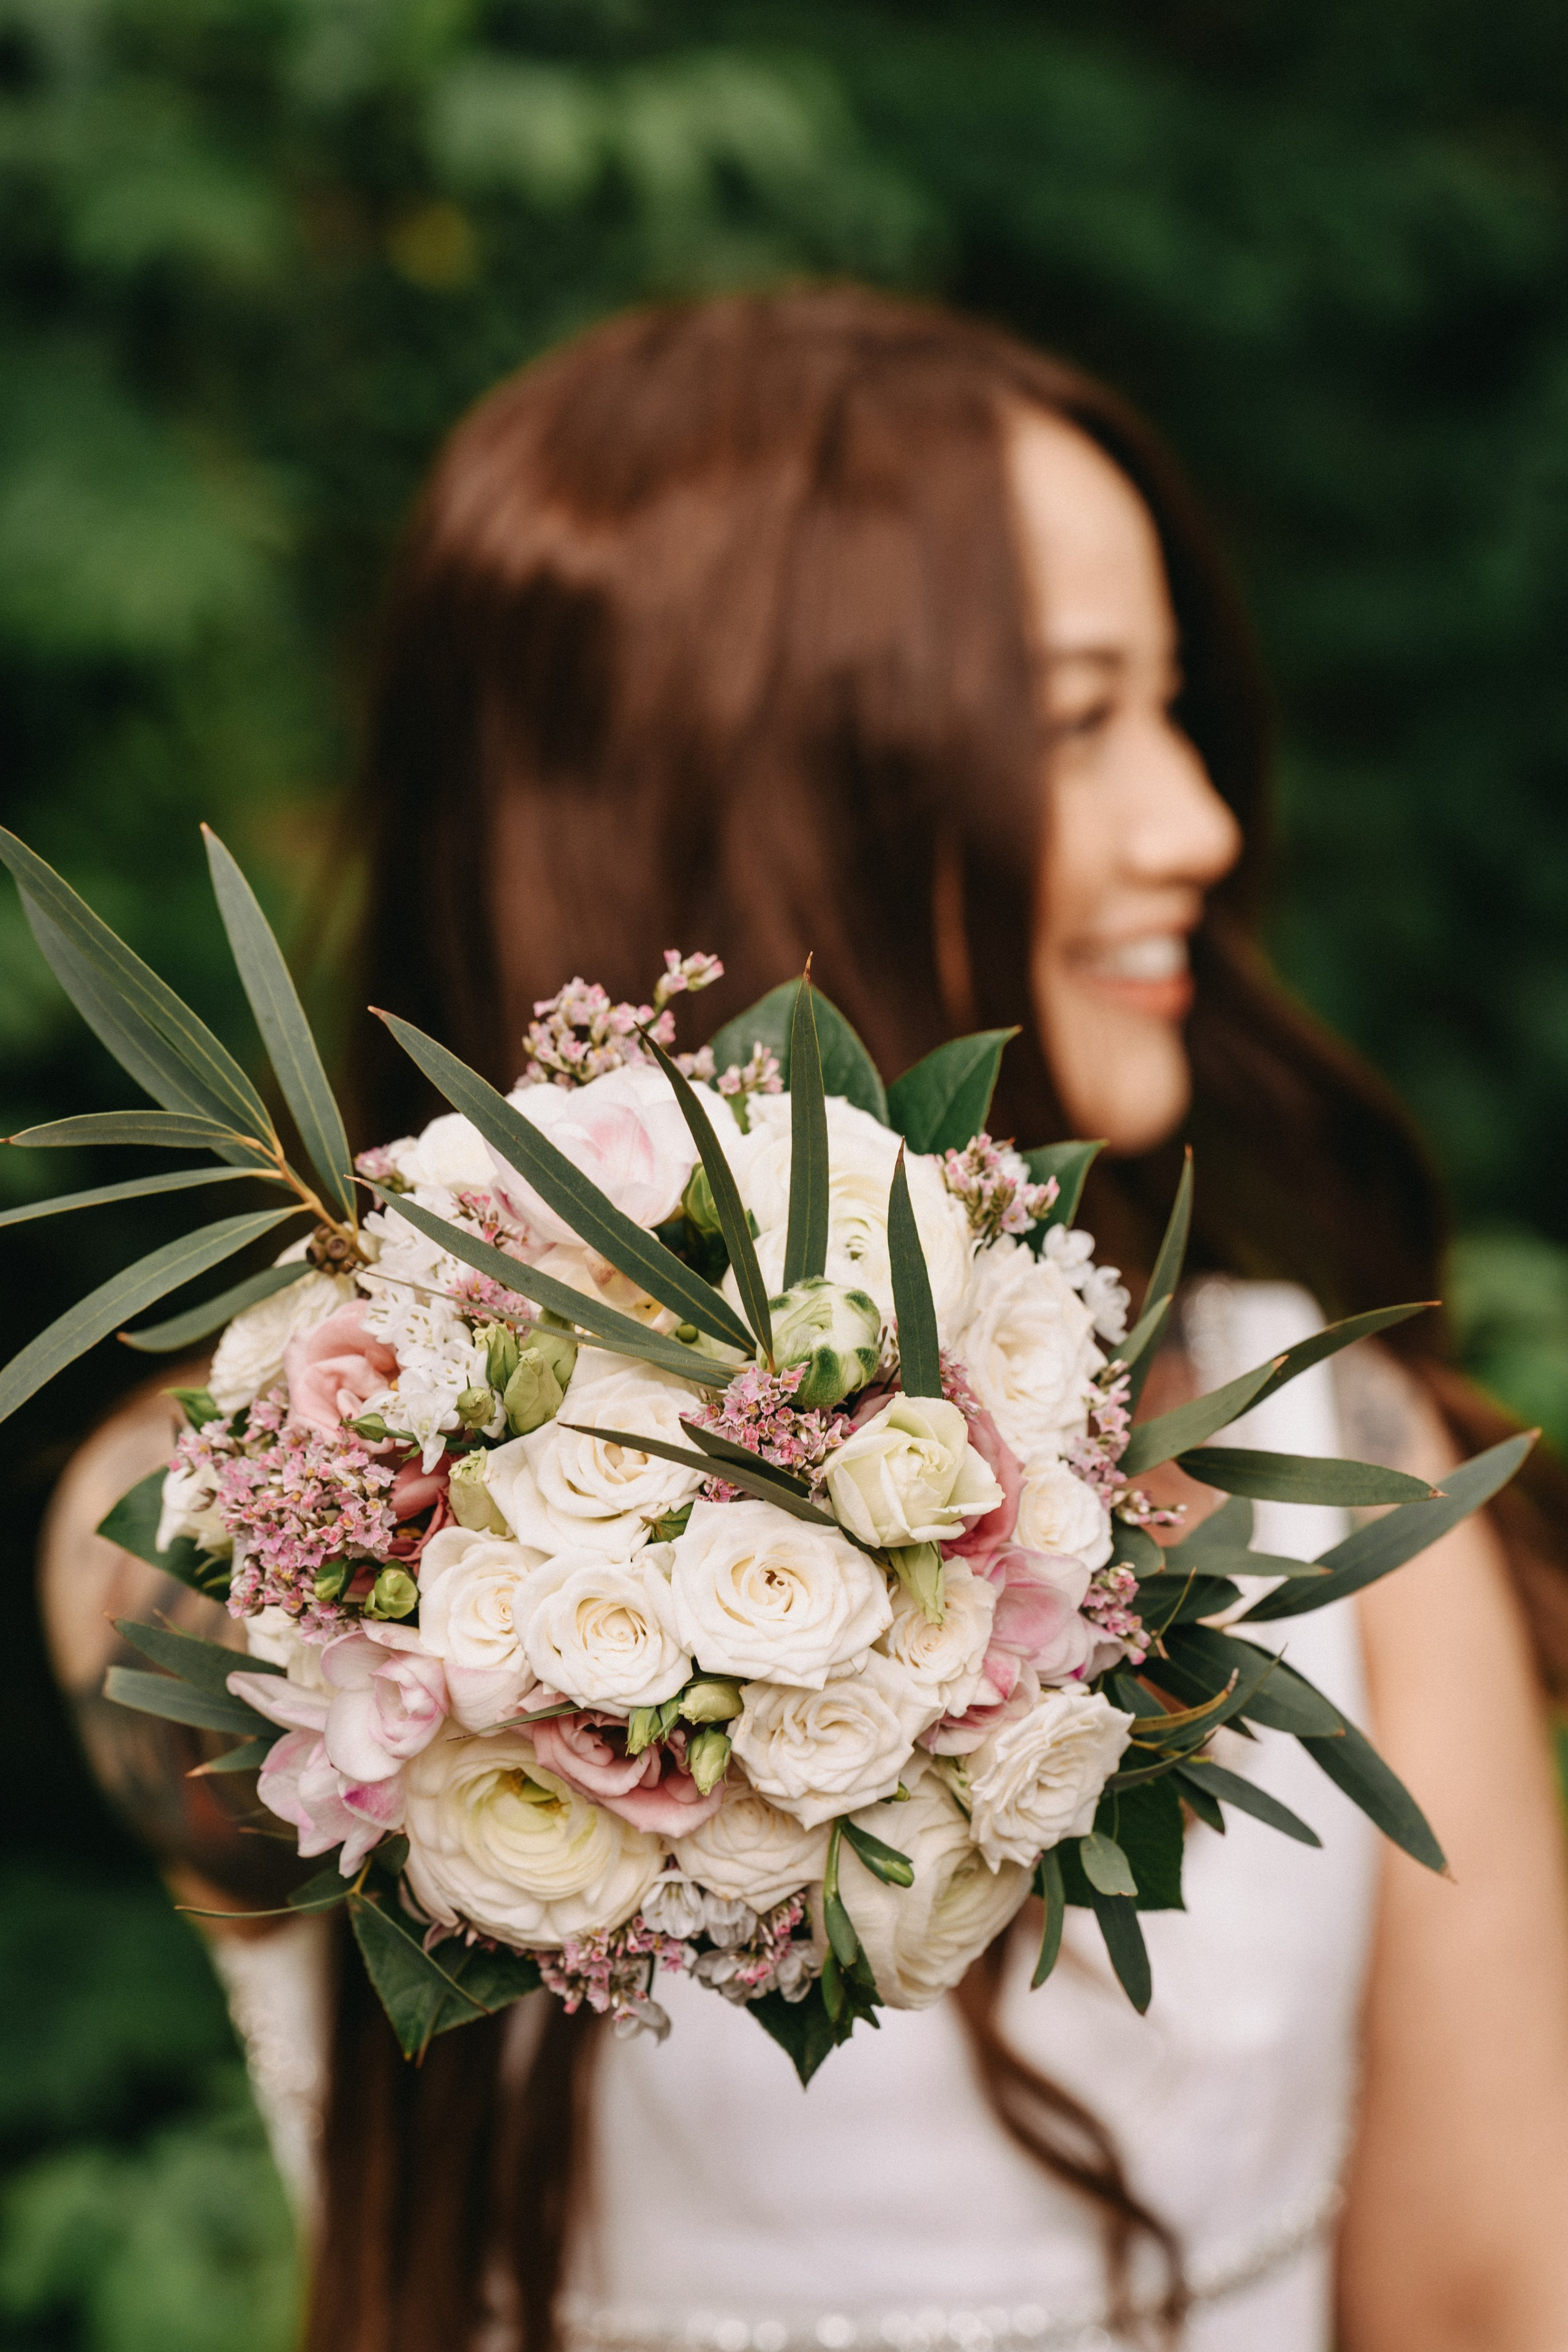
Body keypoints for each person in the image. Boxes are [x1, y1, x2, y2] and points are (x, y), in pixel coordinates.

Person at [39, 288, 1568, 2352]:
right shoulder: (258, 1521)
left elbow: (1489, 2298)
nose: (1197, 823)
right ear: (758, 763)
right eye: (1078, 718)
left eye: (1176, 707)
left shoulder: (1349, 1478)